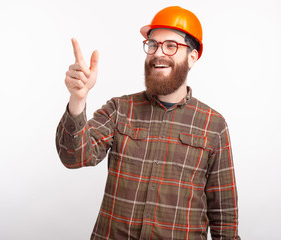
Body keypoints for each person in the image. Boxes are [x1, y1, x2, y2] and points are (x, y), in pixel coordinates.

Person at [56, 6, 240, 240]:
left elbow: (224, 216)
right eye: (153, 44)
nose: (158, 53)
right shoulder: (119, 109)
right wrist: (78, 99)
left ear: (192, 57)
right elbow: (74, 157)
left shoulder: (214, 125)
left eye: (171, 46)